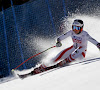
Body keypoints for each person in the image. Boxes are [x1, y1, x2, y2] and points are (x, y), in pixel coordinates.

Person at [18, 19, 100, 78]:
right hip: (73, 48)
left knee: (74, 54)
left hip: (81, 52)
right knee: (56, 57)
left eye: (77, 28)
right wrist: (58, 42)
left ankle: (65, 61)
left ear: (81, 28)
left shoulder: (84, 34)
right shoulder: (71, 32)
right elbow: (61, 37)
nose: (75, 30)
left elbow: (93, 41)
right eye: (73, 27)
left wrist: (98, 45)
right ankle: (41, 67)